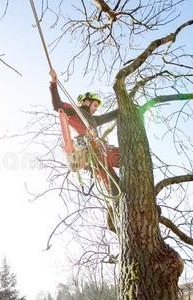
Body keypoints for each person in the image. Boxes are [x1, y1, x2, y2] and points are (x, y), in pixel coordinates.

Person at [49, 69, 120, 233]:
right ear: (86, 102)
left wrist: (128, 107)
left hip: (100, 153)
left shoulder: (94, 119)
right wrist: (53, 82)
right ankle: (119, 209)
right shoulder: (75, 110)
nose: (95, 109)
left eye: (96, 107)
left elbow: (114, 114)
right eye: (94, 105)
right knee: (108, 178)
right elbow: (57, 105)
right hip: (87, 151)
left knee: (116, 177)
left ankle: (122, 204)